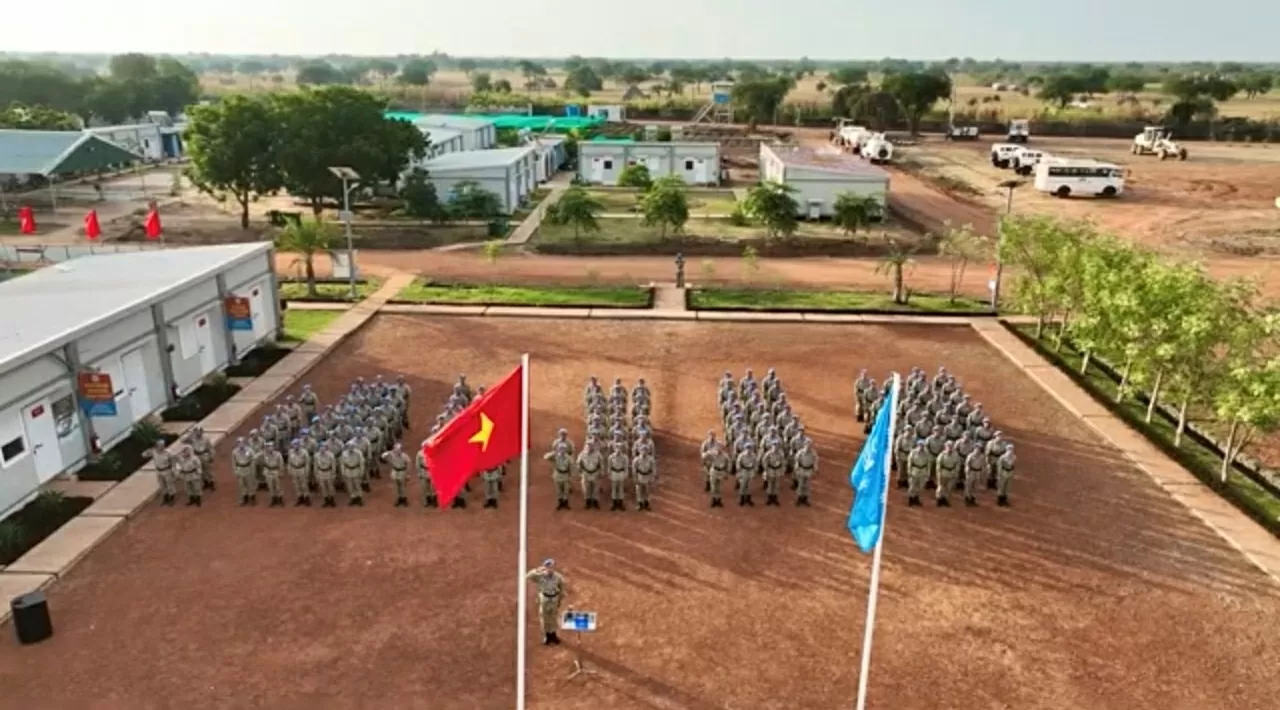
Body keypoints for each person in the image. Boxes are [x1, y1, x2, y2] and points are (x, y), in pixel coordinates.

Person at [525, 559, 566, 646]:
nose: (550, 569)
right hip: (544, 599)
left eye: (552, 567)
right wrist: (537, 570)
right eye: (548, 567)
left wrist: (559, 601)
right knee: (544, 618)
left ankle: (554, 635)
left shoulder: (558, 577)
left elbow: (562, 590)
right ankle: (547, 636)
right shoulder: (539, 576)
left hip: (554, 599)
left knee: (553, 618)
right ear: (545, 567)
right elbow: (528, 576)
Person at [145, 441, 177, 506]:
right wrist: (149, 450)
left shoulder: (168, 453)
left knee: (169, 484)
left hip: (167, 470)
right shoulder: (153, 452)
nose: (161, 447)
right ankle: (165, 498)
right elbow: (144, 455)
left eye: (162, 445)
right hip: (159, 471)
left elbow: (173, 460)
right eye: (159, 445)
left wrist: (174, 469)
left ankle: (172, 497)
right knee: (161, 485)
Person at [576, 440, 603, 510]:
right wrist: (580, 472)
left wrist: (601, 472)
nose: (589, 447)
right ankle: (587, 502)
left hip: (595, 473)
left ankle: (595, 502)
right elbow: (578, 463)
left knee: (595, 488)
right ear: (586, 446)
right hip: (586, 474)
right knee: (586, 489)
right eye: (588, 445)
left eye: (591, 445)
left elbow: (601, 464)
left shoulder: (598, 454)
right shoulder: (582, 454)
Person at [384, 443, 411, 507]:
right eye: (396, 449)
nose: (398, 451)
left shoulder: (404, 456)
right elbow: (383, 456)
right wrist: (389, 452)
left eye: (399, 449)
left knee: (403, 486)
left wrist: (407, 473)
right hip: (395, 471)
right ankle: (398, 499)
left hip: (402, 471)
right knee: (396, 487)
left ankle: (404, 499)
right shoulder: (391, 455)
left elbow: (408, 464)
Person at [188, 426, 216, 491]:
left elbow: (210, 447)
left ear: (202, 432)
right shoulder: (192, 439)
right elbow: (182, 440)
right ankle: (205, 482)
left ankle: (211, 482)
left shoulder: (206, 439)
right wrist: (190, 434)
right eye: (197, 431)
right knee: (200, 470)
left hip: (204, 455)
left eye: (200, 431)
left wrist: (212, 456)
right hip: (197, 456)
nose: (198, 433)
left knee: (208, 469)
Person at [934, 441, 961, 507]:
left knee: (949, 487)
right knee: (941, 487)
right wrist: (939, 474)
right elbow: (938, 466)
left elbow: (957, 464)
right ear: (945, 447)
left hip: (951, 473)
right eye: (948, 446)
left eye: (951, 446)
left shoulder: (956, 455)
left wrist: (956, 472)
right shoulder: (942, 455)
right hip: (943, 473)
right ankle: (939, 499)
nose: (950, 448)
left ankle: (945, 499)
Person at [232, 437, 257, 506]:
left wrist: (253, 470)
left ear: (244, 443)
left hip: (248, 468)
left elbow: (253, 460)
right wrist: (235, 471)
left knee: (250, 484)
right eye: (239, 443)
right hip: (240, 469)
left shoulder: (250, 450)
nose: (240, 444)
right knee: (242, 484)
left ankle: (252, 497)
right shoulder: (234, 452)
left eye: (242, 442)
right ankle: (245, 497)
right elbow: (234, 463)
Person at [287, 439, 312, 507]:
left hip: (302, 469)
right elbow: (289, 462)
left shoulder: (304, 452)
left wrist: (307, 471)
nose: (295, 446)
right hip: (294, 470)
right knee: (297, 485)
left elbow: (307, 462)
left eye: (297, 444)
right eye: (294, 444)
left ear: (299, 444)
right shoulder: (290, 452)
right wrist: (290, 470)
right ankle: (300, 497)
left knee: (304, 484)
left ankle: (306, 497)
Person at [792, 439, 818, 507]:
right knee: (800, 484)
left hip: (809, 470)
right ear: (804, 445)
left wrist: (815, 469)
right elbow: (796, 460)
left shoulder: (813, 453)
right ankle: (799, 498)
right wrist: (796, 468)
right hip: (801, 470)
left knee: (807, 485)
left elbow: (815, 461)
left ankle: (805, 499)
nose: (808, 446)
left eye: (809, 445)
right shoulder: (800, 452)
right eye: (807, 445)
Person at [340, 440, 365, 507]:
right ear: (347, 447)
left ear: (354, 446)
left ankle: (359, 497)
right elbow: (342, 463)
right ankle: (353, 497)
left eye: (352, 446)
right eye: (349, 446)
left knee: (357, 485)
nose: (351, 447)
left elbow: (361, 463)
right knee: (350, 486)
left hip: (356, 470)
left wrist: (361, 471)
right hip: (348, 471)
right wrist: (343, 471)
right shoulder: (344, 453)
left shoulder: (358, 453)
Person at [906, 440, 931, 507]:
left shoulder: (926, 453)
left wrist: (928, 473)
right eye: (920, 445)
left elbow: (928, 464)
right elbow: (909, 463)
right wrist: (909, 471)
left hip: (923, 472)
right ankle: (911, 499)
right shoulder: (913, 452)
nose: (921, 447)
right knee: (912, 486)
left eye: (922, 446)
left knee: (920, 486)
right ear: (917, 445)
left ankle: (916, 499)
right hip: (914, 471)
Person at [314, 442, 339, 508]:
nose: (322, 449)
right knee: (323, 487)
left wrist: (334, 473)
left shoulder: (331, 455)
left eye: (324, 447)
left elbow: (333, 465)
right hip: (320, 472)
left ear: (326, 448)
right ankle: (326, 499)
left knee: (330, 486)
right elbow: (315, 465)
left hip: (329, 472)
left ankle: (332, 499)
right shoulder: (316, 456)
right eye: (321, 447)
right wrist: (316, 474)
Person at [735, 441, 759, 507]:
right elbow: (738, 464)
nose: (748, 449)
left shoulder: (754, 456)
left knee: (750, 486)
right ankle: (742, 499)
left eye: (750, 448)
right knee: (743, 485)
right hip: (744, 471)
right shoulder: (741, 455)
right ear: (745, 448)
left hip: (751, 471)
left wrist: (755, 471)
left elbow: (756, 464)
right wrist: (739, 472)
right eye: (747, 448)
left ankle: (748, 499)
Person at [261, 443, 285, 507]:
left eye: (270, 447)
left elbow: (281, 463)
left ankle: (280, 499)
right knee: (270, 486)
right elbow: (263, 463)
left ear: (273, 447)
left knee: (278, 486)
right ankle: (273, 499)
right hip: (268, 472)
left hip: (276, 471)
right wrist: (265, 472)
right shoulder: (264, 454)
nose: (269, 448)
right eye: (267, 447)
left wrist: (281, 472)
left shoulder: (278, 454)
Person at [607, 446, 630, 511]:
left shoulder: (625, 457)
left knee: (621, 488)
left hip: (621, 473)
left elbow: (626, 467)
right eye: (617, 448)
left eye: (620, 448)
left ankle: (620, 503)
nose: (618, 450)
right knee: (614, 488)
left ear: (622, 449)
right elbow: (609, 467)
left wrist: (626, 474)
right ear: (614, 449)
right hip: (614, 473)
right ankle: (614, 503)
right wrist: (609, 474)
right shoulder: (611, 457)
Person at [633, 446, 655, 511]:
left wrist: (652, 478)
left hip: (647, 476)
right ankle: (640, 503)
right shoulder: (636, 460)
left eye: (645, 450)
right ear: (639, 451)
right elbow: (634, 470)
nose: (644, 452)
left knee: (647, 491)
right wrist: (635, 478)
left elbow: (653, 469)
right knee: (639, 491)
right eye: (642, 450)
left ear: (648, 451)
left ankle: (646, 503)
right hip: (639, 476)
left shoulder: (651, 459)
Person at [707, 444, 730, 508]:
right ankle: (713, 500)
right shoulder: (713, 454)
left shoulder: (725, 456)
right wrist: (709, 451)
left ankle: (719, 501)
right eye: (718, 448)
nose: (719, 450)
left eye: (720, 448)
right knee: (713, 487)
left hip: (721, 472)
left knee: (719, 487)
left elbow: (728, 463)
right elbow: (705, 457)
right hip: (714, 471)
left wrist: (726, 472)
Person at [416, 440, 436, 508]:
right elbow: (418, 464)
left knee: (433, 487)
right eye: (424, 446)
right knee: (425, 487)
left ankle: (434, 501)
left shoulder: (433, 451)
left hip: (432, 471)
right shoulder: (420, 453)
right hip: (424, 471)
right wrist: (419, 473)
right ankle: (428, 500)